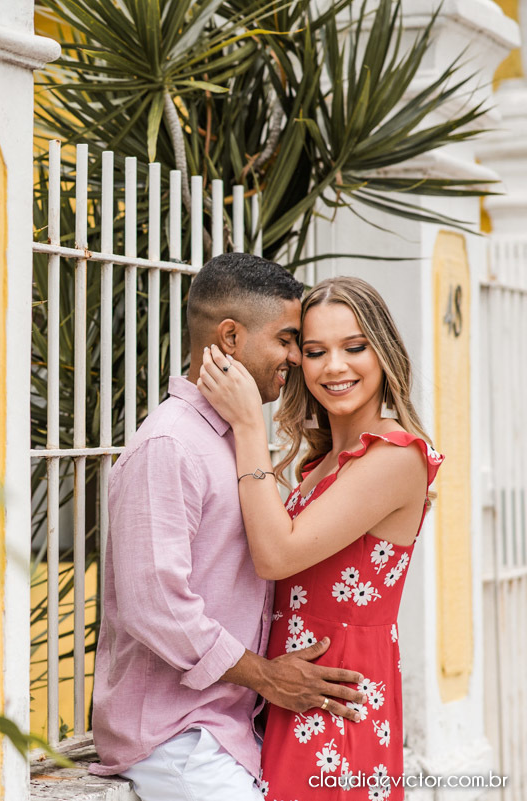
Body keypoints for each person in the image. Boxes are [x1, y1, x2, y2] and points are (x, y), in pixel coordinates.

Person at [90, 253, 367, 801]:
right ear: (232, 337)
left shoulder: (229, 439)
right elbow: (158, 607)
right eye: (287, 340)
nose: (295, 357)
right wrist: (268, 677)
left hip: (224, 730)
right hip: (176, 739)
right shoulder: (171, 445)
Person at [197, 275, 444, 800]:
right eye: (314, 351)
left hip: (337, 704)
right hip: (296, 694)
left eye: (354, 347)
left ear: (384, 354)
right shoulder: (323, 462)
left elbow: (276, 554)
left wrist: (248, 427)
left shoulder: (396, 457)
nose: (334, 366)